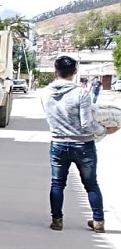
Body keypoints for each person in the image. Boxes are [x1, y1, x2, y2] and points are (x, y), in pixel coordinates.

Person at [41, 55, 118, 233]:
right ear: (75, 72)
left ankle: (57, 220)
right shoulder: (81, 93)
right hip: (83, 145)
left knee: (57, 183)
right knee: (91, 184)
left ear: (55, 72)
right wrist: (104, 130)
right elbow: (87, 123)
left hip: (58, 143)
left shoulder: (45, 93)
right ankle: (98, 221)